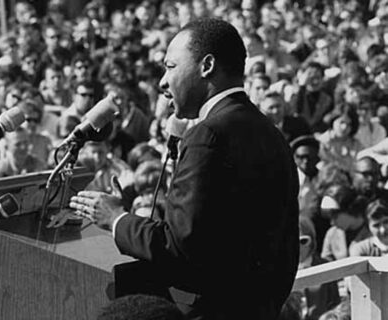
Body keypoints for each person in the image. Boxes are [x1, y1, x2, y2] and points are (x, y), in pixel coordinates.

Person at [70, 18, 299, 319]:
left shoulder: (208, 135)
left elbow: (178, 250)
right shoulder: (270, 131)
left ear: (206, 66)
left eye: (171, 67)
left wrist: (116, 218)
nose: (163, 82)